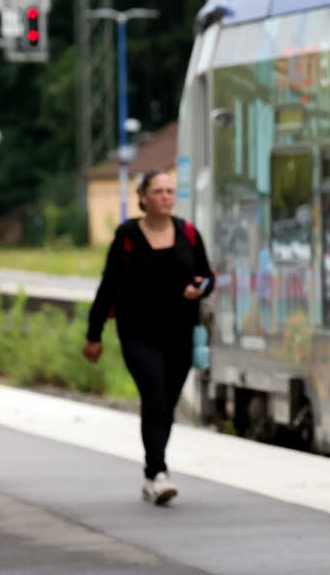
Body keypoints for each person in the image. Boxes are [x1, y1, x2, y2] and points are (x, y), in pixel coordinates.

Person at [82, 170, 214, 505]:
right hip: (138, 332)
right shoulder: (128, 236)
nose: (166, 197)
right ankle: (157, 473)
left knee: (166, 403)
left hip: (180, 333)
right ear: (142, 196)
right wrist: (94, 334)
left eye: (170, 191)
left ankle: (153, 472)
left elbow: (208, 277)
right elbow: (108, 285)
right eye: (158, 191)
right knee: (154, 395)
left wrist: (198, 288)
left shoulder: (187, 233)